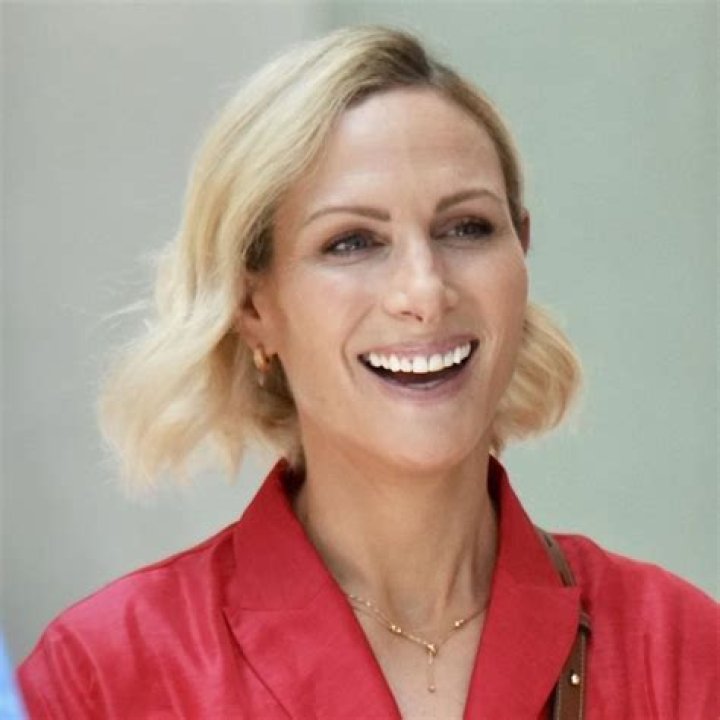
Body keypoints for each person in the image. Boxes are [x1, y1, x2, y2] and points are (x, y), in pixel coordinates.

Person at [17, 25, 717, 720]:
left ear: (522, 252)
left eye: (467, 228)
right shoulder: (102, 679)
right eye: (352, 241)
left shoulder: (679, 649)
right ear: (253, 305)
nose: (425, 291)